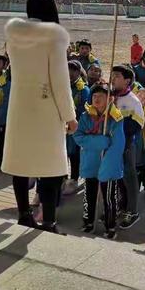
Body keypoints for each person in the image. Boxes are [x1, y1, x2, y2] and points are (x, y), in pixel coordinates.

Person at [2, 0, 78, 233]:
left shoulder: (14, 36)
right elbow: (60, 80)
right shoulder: (52, 37)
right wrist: (70, 115)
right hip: (45, 107)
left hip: (19, 105)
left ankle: (24, 213)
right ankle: (49, 221)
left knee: (20, 163)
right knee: (51, 168)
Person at [73, 84, 125, 239]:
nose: (96, 99)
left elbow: (117, 146)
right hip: (90, 162)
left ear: (110, 99)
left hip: (107, 165)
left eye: (101, 96)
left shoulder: (116, 119)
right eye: (94, 96)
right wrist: (100, 142)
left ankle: (110, 226)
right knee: (89, 195)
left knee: (109, 198)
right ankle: (88, 222)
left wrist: (106, 167)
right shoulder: (85, 116)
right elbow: (78, 137)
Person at [111, 64, 145, 229]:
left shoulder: (133, 101)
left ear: (127, 80)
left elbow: (138, 123)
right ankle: (120, 206)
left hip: (126, 144)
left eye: (117, 76)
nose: (113, 79)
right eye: (113, 76)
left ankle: (132, 211)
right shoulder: (110, 97)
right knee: (117, 177)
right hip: (110, 145)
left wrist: (120, 132)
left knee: (129, 177)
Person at [63, 61, 91, 195]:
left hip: (75, 126)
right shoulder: (61, 86)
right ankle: (62, 177)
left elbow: (84, 110)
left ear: (78, 72)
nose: (69, 73)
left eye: (73, 70)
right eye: (67, 70)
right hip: (61, 126)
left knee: (74, 153)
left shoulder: (83, 89)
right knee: (63, 153)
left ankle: (74, 178)